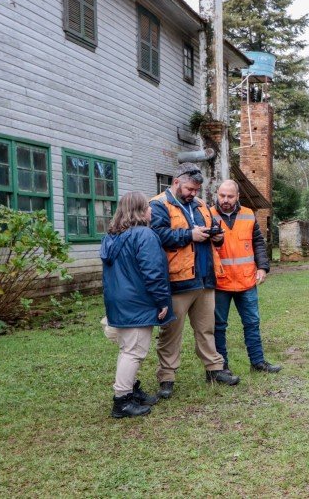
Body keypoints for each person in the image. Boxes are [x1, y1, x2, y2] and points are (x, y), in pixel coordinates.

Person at [150, 164, 239, 399]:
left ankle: (214, 369)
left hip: (204, 277)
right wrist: (189, 235)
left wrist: (216, 236)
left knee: (206, 329)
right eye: (190, 188)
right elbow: (157, 235)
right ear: (176, 182)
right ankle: (166, 377)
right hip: (177, 280)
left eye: (196, 190)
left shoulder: (200, 206)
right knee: (171, 332)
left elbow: (212, 231)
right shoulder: (158, 204)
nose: (193, 194)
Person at [100, 191, 175, 418]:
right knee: (134, 351)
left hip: (119, 299)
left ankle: (130, 390)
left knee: (127, 347)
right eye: (147, 206)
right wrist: (162, 301)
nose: (152, 210)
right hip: (137, 301)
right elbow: (153, 272)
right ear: (140, 211)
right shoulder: (144, 235)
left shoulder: (112, 237)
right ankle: (122, 400)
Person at [211, 180, 281, 376]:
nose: (225, 200)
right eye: (222, 195)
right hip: (220, 282)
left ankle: (258, 362)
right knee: (218, 326)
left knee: (252, 323)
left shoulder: (249, 214)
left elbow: (258, 242)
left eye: (230, 196)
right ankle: (221, 367)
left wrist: (263, 267)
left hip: (246, 280)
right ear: (217, 194)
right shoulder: (208, 215)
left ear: (237, 196)